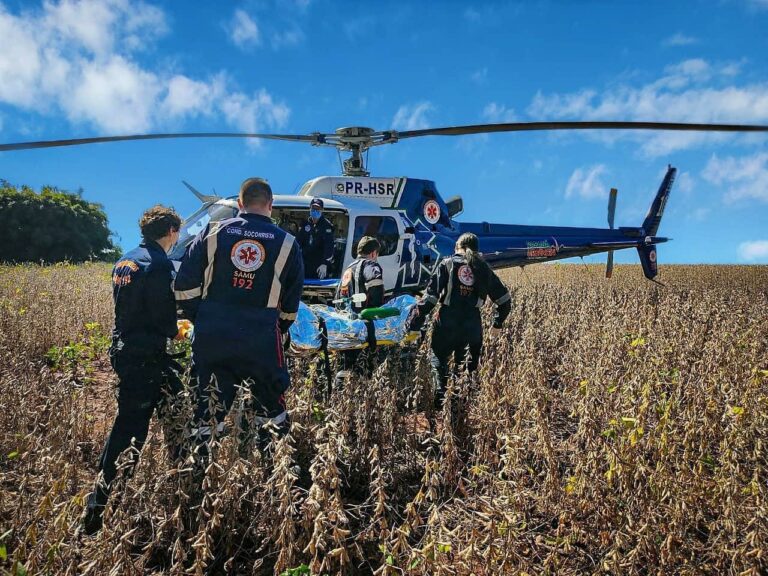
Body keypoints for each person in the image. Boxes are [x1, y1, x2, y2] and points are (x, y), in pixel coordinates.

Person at [174, 177, 304, 457]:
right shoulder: (288, 243)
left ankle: (201, 475)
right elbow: (292, 303)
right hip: (262, 341)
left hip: (212, 336)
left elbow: (184, 287)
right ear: (271, 205)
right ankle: (271, 473)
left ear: (240, 204)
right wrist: (277, 326)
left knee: (207, 408)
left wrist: (204, 317)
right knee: (270, 409)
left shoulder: (212, 232)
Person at [83, 205, 183, 535]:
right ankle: (98, 507)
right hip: (146, 357)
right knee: (130, 430)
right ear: (171, 232)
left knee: (159, 415)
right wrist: (178, 329)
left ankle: (170, 488)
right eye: (177, 233)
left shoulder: (126, 259)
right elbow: (163, 318)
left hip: (125, 348)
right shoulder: (159, 264)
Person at [410, 232, 511, 407]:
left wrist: (414, 324)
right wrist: (498, 323)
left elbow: (430, 299)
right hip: (472, 325)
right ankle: (459, 410)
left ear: (458, 246)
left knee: (438, 360)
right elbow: (505, 300)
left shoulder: (447, 264)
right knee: (465, 370)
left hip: (447, 322)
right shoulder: (484, 269)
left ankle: (441, 403)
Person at [334, 236, 385, 387]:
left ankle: (340, 394)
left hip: (347, 323)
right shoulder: (370, 265)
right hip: (364, 323)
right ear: (374, 253)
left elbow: (339, 296)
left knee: (346, 364)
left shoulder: (349, 268)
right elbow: (376, 289)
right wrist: (377, 313)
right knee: (365, 364)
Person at [297, 197, 334, 279]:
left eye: (318, 208)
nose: (315, 210)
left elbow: (329, 247)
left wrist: (325, 263)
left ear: (322, 210)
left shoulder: (326, 226)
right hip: (305, 262)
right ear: (309, 208)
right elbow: (298, 243)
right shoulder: (304, 224)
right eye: (313, 208)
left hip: (319, 265)